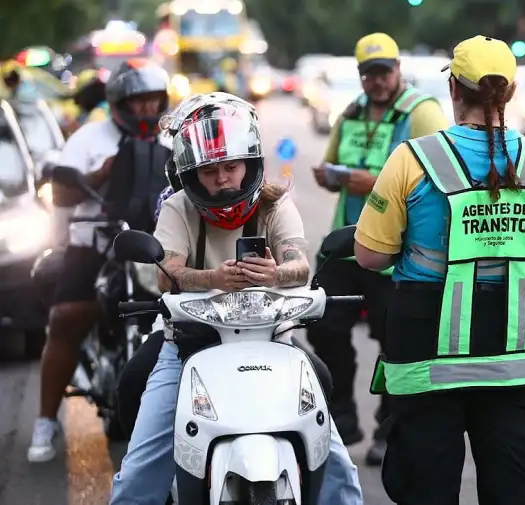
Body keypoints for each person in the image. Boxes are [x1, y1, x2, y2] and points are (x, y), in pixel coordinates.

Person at [354, 35, 525, 505]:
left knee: (426, 489)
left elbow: (369, 257)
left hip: (426, 358)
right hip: (513, 356)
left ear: (454, 89)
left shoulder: (411, 160)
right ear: (511, 93)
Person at [109, 94, 364, 505]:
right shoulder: (177, 207)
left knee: (338, 469)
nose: (223, 178)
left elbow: (298, 263)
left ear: (250, 162)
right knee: (137, 478)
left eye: (231, 166)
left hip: (270, 341)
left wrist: (276, 273)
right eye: (210, 170)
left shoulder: (275, 202)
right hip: (188, 345)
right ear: (190, 173)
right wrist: (214, 279)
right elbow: (164, 273)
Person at [310, 31, 447, 465]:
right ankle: (344, 417)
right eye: (368, 74)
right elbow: (327, 165)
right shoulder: (350, 111)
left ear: (398, 69)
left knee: (398, 345)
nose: (377, 81)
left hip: (399, 251)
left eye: (383, 71)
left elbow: (444, 175)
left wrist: (376, 183)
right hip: (348, 244)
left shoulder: (422, 113)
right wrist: (330, 175)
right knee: (322, 325)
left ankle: (390, 429)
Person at [28, 58, 174, 463]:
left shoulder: (173, 140)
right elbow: (61, 193)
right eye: (138, 101)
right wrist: (97, 176)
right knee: (68, 316)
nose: (147, 108)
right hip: (94, 244)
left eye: (153, 100)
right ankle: (45, 419)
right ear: (118, 103)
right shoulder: (91, 138)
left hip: (156, 247)